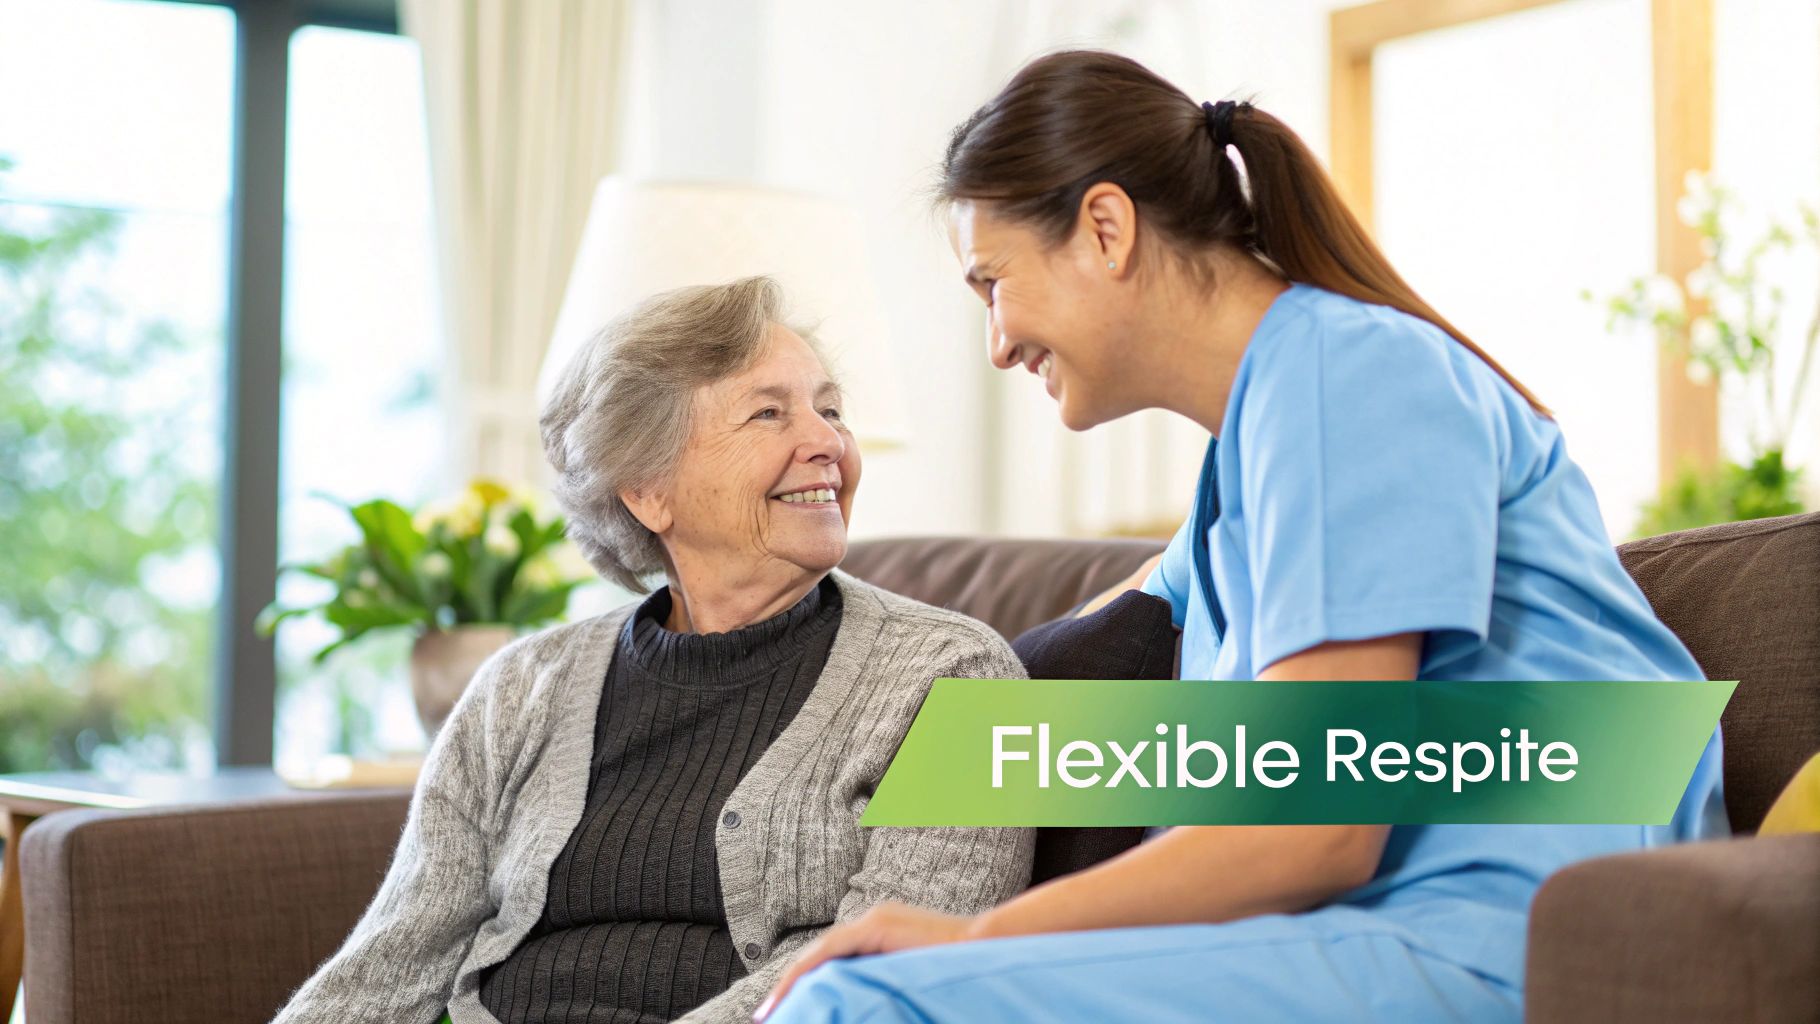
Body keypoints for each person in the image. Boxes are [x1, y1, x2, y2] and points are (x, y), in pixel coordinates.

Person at [755, 51, 1725, 1023]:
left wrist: (972, 942)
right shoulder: (1253, 464)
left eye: (992, 283)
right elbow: (1087, 629)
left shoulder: (1349, 375)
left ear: (1103, 228)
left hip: (1510, 941)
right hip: (1369, 934)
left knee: (852, 1005)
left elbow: (1315, 826)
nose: (997, 343)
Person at [270, 276, 1033, 1024]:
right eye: (769, 414)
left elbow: (883, 974)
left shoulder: (955, 679)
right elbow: (390, 964)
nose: (827, 441)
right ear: (647, 490)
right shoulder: (520, 689)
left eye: (831, 410)